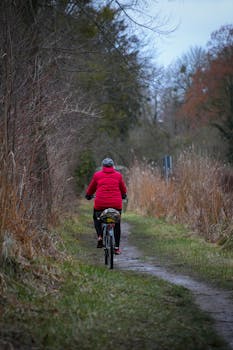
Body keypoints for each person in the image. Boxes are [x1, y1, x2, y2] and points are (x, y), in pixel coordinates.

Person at [85, 158, 127, 255]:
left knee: (96, 218)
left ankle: (100, 236)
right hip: (116, 205)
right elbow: (123, 189)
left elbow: (91, 188)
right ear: (113, 166)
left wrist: (88, 195)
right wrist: (124, 195)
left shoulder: (97, 175)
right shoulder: (118, 175)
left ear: (103, 166)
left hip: (101, 205)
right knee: (117, 223)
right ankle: (116, 248)